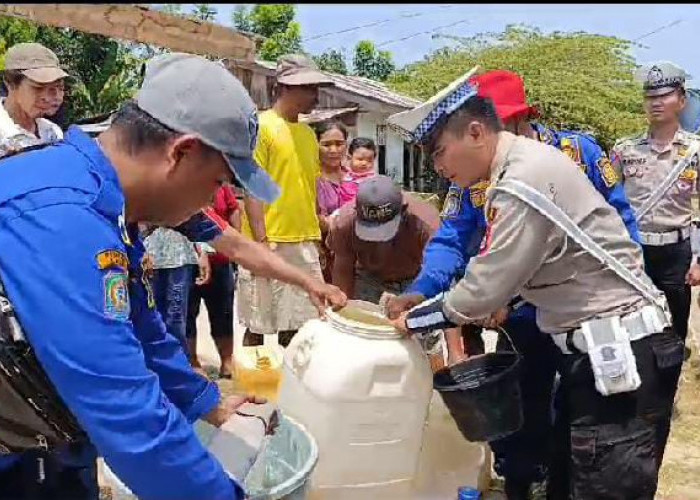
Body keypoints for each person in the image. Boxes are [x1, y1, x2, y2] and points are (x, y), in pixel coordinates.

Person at [0, 53, 336, 500]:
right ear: (181, 152)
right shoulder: (62, 214)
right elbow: (126, 411)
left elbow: (140, 326)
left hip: (47, 435)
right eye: (218, 182)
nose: (216, 197)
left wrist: (207, 401)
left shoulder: (103, 201)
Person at [387, 68, 682, 500]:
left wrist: (415, 319)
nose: (439, 168)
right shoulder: (516, 165)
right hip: (586, 347)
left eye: (439, 153)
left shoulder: (521, 182)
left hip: (618, 354)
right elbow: (459, 241)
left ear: (475, 132)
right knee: (565, 473)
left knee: (604, 485)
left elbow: (483, 288)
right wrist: (429, 289)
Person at [240, 53, 334, 348]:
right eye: (308, 88)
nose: (315, 96)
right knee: (258, 321)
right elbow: (252, 187)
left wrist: (317, 237)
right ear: (285, 87)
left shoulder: (307, 134)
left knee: (299, 324)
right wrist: (260, 240)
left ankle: (290, 385)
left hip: (303, 239)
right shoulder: (261, 126)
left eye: (316, 88)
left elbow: (309, 187)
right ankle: (253, 383)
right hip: (270, 239)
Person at [612, 61, 700, 360]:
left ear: (681, 100)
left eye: (664, 96)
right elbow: (609, 204)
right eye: (650, 97)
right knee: (633, 325)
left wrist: (699, 259)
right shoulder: (625, 150)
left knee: (674, 330)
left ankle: (667, 393)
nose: (656, 103)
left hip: (677, 252)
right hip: (635, 250)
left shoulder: (694, 151)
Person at [327, 175, 440, 303]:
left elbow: (434, 270)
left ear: (403, 210)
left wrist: (414, 298)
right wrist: (343, 304)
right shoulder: (344, 224)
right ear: (356, 212)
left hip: (415, 278)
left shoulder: (426, 223)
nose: (379, 240)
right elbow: (343, 269)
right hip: (368, 278)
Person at [186, 184, 242, 379]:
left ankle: (227, 359)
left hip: (220, 258)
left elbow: (233, 209)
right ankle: (192, 360)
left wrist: (236, 242)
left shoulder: (221, 186)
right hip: (187, 260)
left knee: (223, 311)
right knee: (188, 312)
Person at [144, 226, 208, 354]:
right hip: (150, 255)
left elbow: (197, 217)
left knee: (176, 317)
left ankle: (178, 361)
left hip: (181, 258)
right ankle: (155, 361)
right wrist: (143, 250)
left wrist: (202, 253)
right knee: (152, 315)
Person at [0, 43, 67, 156]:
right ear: (10, 83)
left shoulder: (52, 132)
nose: (49, 98)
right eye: (38, 88)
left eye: (59, 87)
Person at [315, 120, 356, 281]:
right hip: (326, 256)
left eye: (339, 144)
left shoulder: (354, 176)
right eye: (326, 144)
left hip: (356, 256)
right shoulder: (312, 179)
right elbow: (317, 219)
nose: (333, 150)